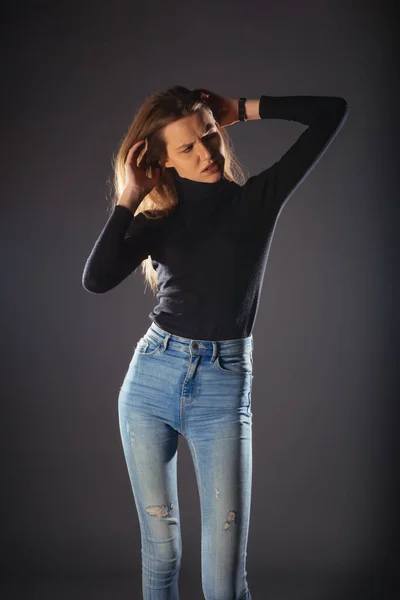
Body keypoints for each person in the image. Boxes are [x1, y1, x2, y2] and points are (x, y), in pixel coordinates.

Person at [82, 86, 348, 599]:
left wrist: (242, 109)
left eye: (209, 135)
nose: (206, 153)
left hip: (222, 391)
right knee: (161, 556)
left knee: (223, 583)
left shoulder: (258, 199)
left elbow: (332, 113)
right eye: (187, 147)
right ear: (160, 159)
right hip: (150, 382)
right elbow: (95, 279)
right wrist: (129, 197)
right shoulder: (156, 221)